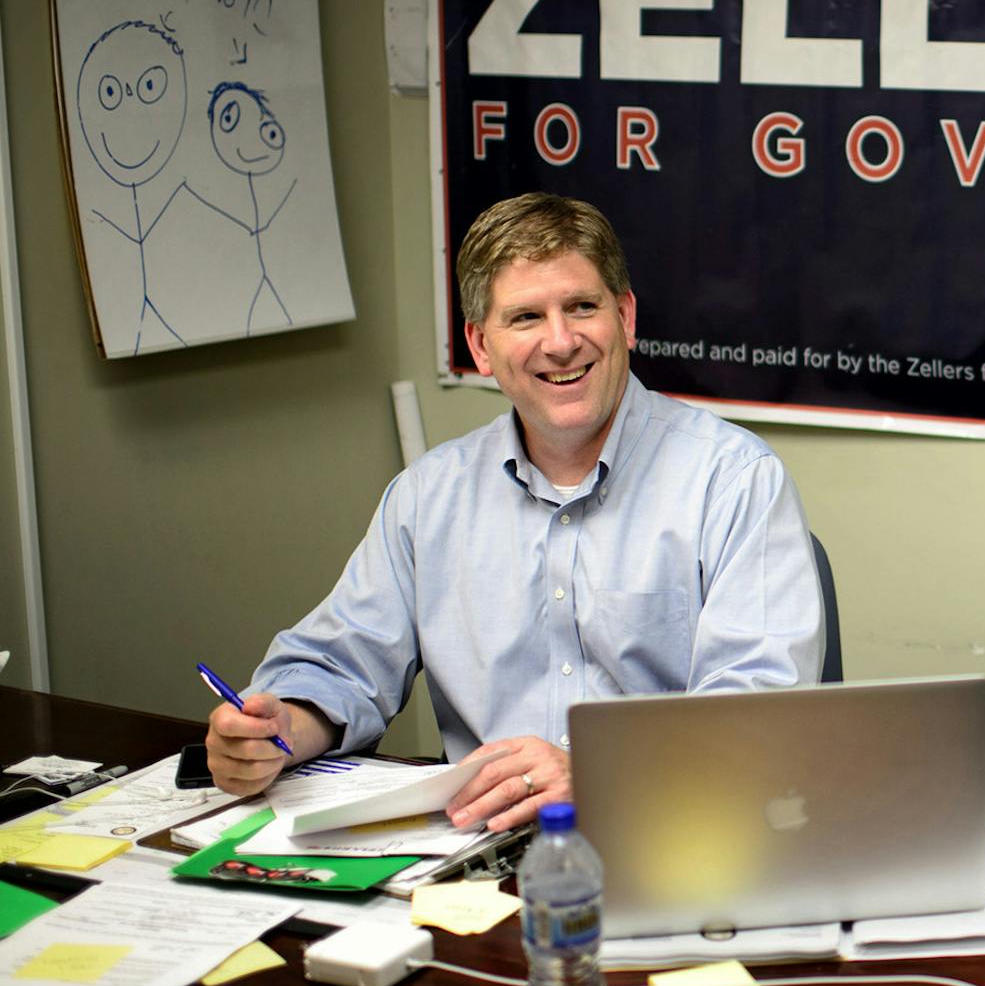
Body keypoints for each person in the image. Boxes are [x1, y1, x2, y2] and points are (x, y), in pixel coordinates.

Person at [206, 193, 823, 831]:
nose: (560, 342)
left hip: (671, 830)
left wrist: (597, 772)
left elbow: (759, 709)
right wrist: (277, 732)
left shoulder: (733, 480)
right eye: (526, 317)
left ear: (626, 316)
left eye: (582, 307)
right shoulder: (427, 497)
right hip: (480, 848)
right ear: (480, 345)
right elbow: (340, 664)